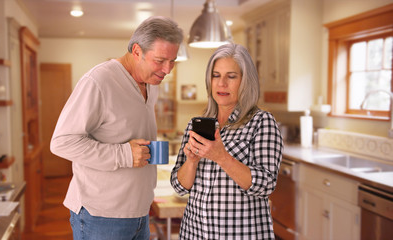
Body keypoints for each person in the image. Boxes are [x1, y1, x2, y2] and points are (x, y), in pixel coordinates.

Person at [50, 16, 183, 240]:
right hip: (101, 216)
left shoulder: (152, 83)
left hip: (140, 213)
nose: (167, 69)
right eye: (160, 60)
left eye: (173, 61)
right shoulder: (99, 81)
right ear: (137, 51)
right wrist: (124, 154)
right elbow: (62, 142)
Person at [170, 43, 283, 239]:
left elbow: (266, 185)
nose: (222, 83)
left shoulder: (261, 122)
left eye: (231, 77)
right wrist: (192, 162)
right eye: (216, 75)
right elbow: (179, 187)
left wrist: (222, 157)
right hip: (194, 233)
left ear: (245, 82)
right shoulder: (195, 126)